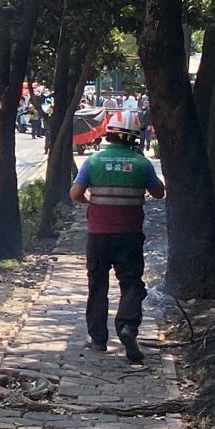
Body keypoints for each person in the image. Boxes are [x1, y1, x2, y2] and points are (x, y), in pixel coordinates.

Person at [70, 111, 166, 363]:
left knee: (98, 285)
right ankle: (127, 327)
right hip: (129, 235)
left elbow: (75, 193)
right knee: (131, 283)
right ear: (135, 137)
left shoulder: (93, 161)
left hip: (98, 235)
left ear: (109, 133)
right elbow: (158, 193)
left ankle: (98, 339)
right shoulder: (141, 164)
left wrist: (90, 201)